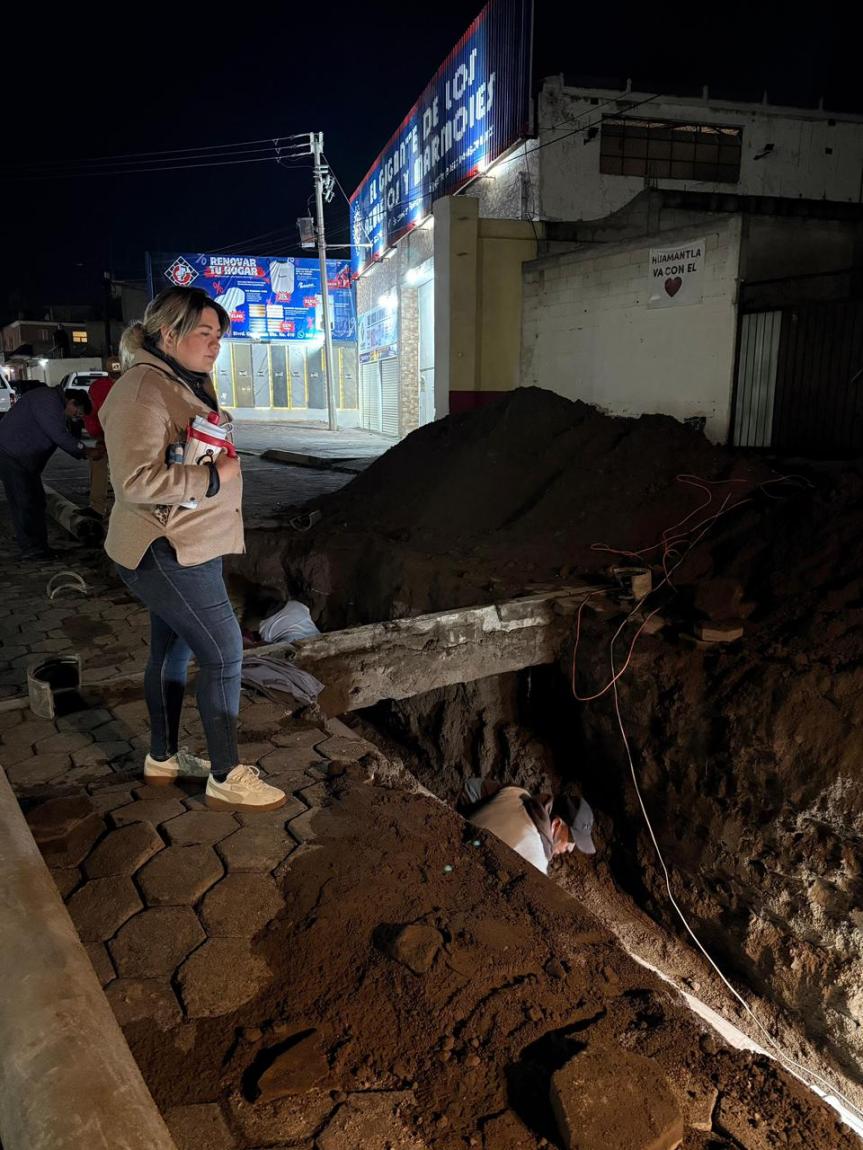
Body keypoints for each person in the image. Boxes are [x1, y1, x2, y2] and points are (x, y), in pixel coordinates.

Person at [100, 286, 286, 813]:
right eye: (204, 333)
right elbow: (134, 480)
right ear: (168, 334)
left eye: (218, 335)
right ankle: (226, 775)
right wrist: (212, 478)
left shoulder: (177, 381)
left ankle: (162, 758)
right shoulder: (142, 390)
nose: (214, 344)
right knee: (224, 653)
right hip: (167, 550)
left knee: (173, 651)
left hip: (186, 544)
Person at [0, 384, 101, 559]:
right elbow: (59, 435)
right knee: (25, 502)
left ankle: (39, 545)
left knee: (36, 500)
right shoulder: (48, 401)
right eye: (77, 413)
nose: (76, 417)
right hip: (12, 455)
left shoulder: (52, 401)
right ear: (72, 402)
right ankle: (32, 549)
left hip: (21, 458)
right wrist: (86, 451)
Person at [458, 778, 596, 875]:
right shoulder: (535, 862)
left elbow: (470, 786)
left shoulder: (514, 793)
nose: (570, 849)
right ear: (556, 824)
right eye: (571, 840)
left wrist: (461, 825)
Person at [81, 373, 116, 517]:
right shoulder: (99, 388)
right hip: (111, 434)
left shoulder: (99, 387)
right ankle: (99, 507)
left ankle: (99, 507)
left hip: (116, 434)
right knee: (99, 461)